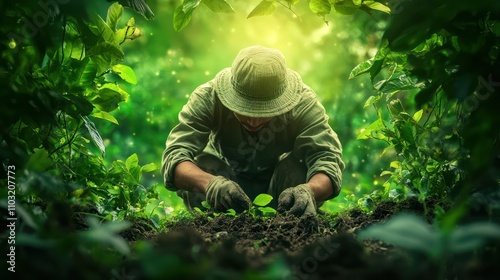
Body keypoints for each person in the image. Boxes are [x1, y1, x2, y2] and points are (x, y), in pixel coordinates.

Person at [161, 45, 344, 216]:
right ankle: (215, 235)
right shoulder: (208, 98)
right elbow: (175, 157)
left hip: (281, 189)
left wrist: (309, 190)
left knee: (298, 167)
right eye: (244, 109)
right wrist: (211, 185)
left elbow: (327, 159)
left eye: (265, 111)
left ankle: (290, 226)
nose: (253, 120)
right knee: (202, 165)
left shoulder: (303, 104)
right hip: (225, 186)